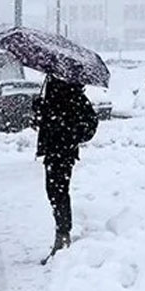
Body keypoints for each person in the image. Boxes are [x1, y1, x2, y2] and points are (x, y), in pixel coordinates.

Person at [32, 77, 99, 263]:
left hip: (62, 152)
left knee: (58, 192)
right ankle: (61, 234)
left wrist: (70, 135)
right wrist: (39, 111)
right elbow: (45, 123)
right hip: (55, 151)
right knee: (54, 192)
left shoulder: (72, 95)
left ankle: (63, 236)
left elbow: (90, 124)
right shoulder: (55, 95)